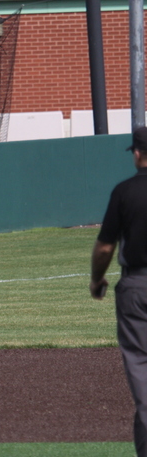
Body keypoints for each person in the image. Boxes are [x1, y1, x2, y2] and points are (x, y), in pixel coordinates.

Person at [90, 126, 147, 457]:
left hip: (137, 287)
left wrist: (97, 280)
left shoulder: (125, 192)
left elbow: (104, 247)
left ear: (137, 154)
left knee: (141, 367)